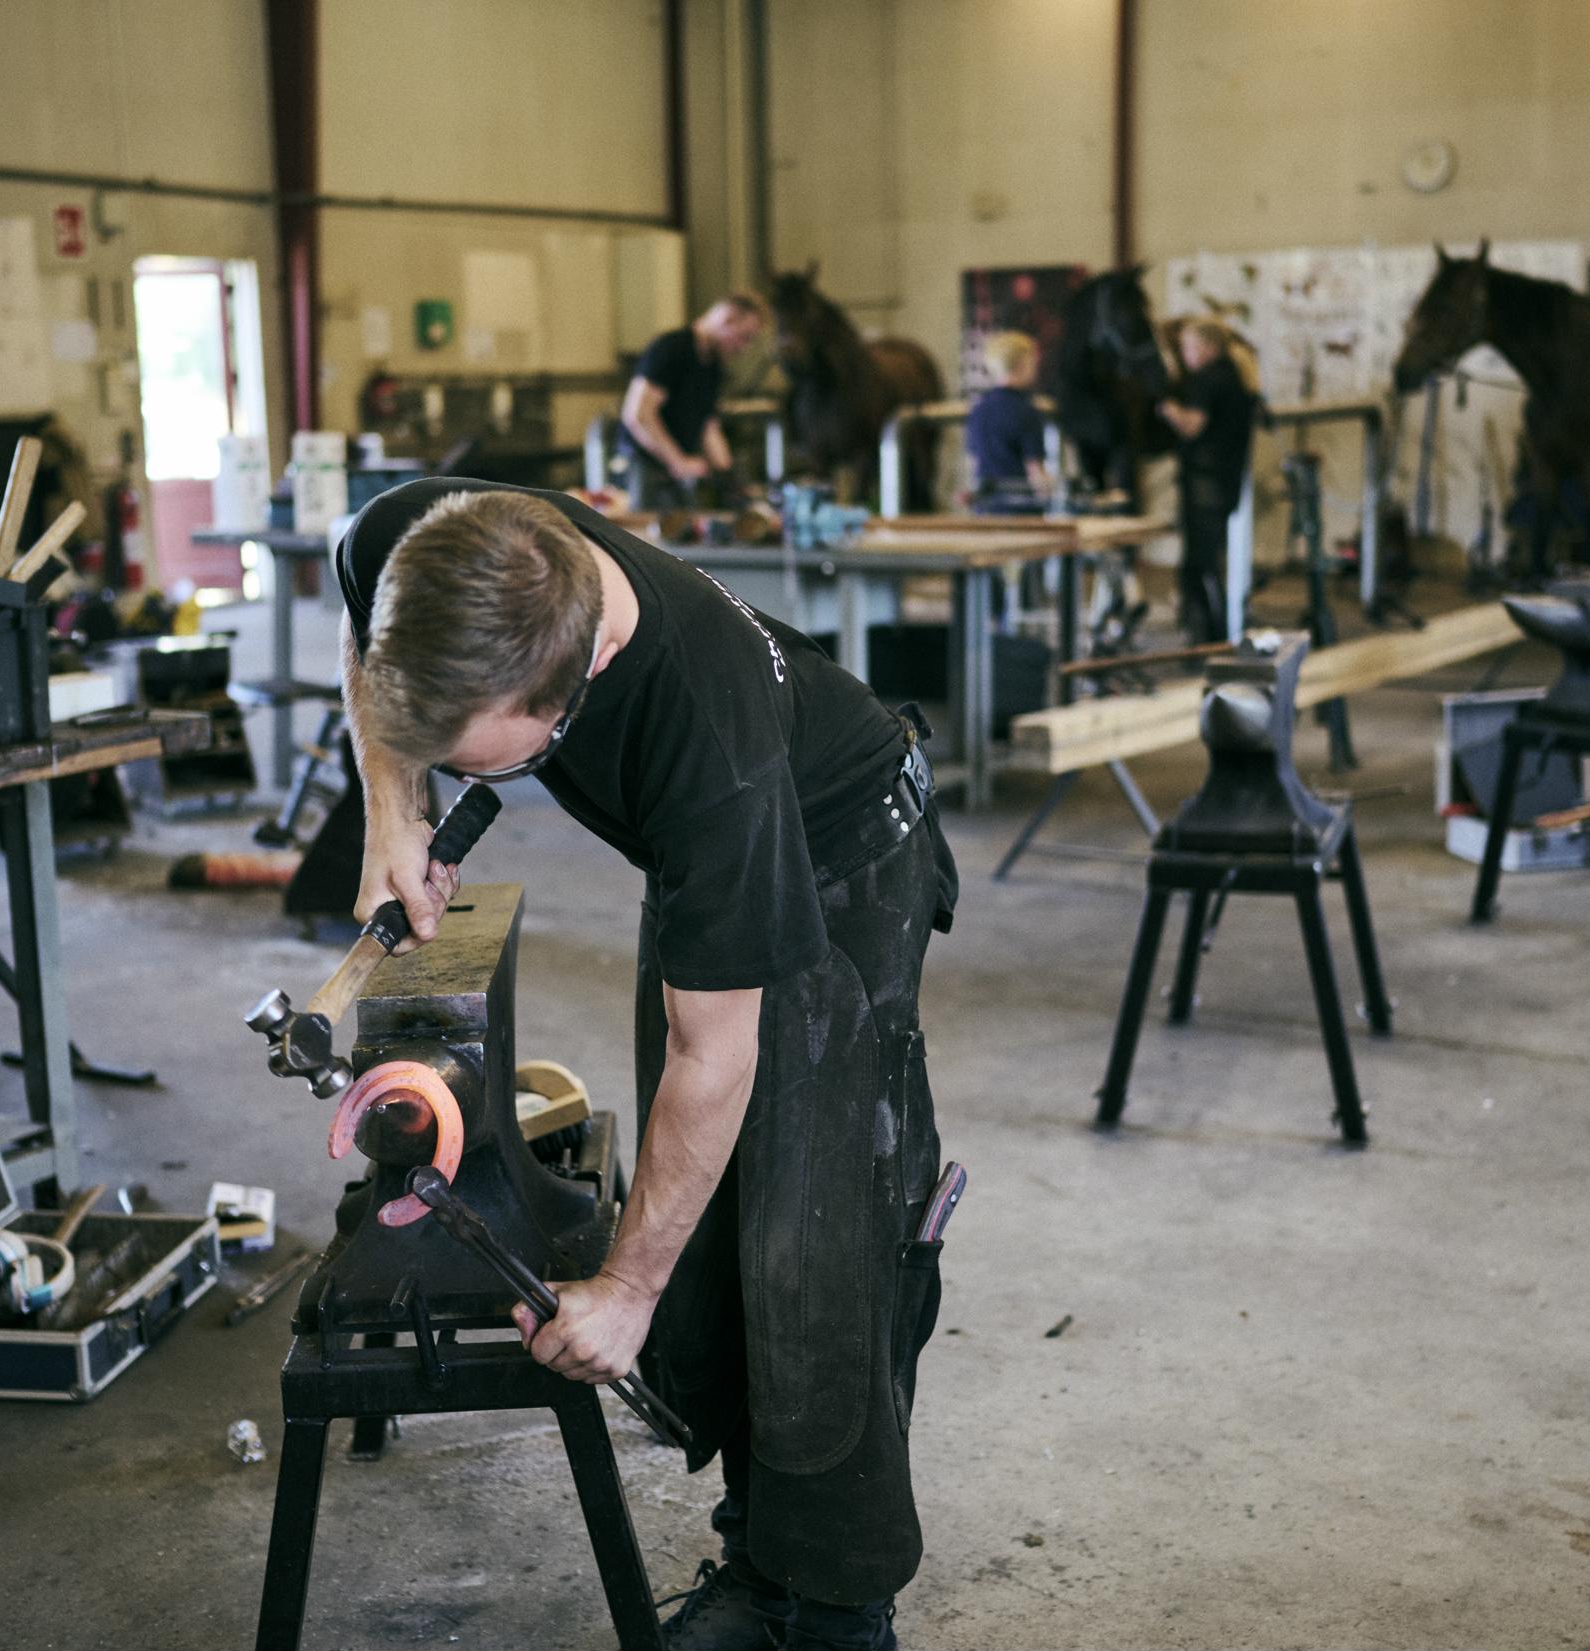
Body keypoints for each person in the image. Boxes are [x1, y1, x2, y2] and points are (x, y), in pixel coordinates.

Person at [335, 477, 959, 1651]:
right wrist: (392, 811)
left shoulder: (703, 738)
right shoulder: (422, 534)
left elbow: (709, 1053)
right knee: (703, 1222)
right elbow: (362, 615)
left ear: (568, 691)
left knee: (806, 1243)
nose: (455, 770)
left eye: (476, 759)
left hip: (841, 849)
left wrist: (623, 1294)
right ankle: (759, 1555)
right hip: (701, 850)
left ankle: (835, 1603)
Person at [1157, 316, 1261, 644]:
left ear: (1207, 348)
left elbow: (1192, 426)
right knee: (1210, 559)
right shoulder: (1236, 376)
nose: (1185, 354)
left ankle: (1210, 636)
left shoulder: (1208, 380)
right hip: (1225, 479)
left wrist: (1167, 407)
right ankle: (1216, 631)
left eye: (1188, 347)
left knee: (1199, 564)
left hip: (1205, 481)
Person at [620, 295, 770, 509]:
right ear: (728, 319)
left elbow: (708, 426)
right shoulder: (672, 347)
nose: (743, 348)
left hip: (675, 476)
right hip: (642, 472)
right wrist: (678, 461)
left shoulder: (712, 365)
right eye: (744, 337)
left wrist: (731, 479)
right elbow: (639, 414)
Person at [963, 331, 1050, 513]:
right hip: (1021, 513)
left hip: (986, 510)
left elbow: (973, 464)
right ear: (1021, 366)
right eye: (1033, 363)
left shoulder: (979, 410)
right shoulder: (1027, 412)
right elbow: (1035, 471)